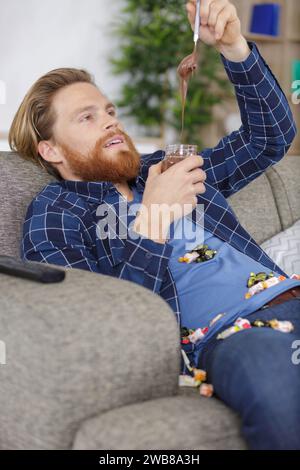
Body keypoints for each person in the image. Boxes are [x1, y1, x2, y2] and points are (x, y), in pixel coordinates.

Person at [9, 0, 300, 449]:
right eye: (88, 118)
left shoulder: (162, 169)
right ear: (51, 150)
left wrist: (235, 48)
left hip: (289, 292)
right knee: (281, 403)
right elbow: (99, 323)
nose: (111, 123)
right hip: (234, 335)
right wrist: (156, 218)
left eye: (109, 111)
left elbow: (270, 138)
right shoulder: (57, 212)